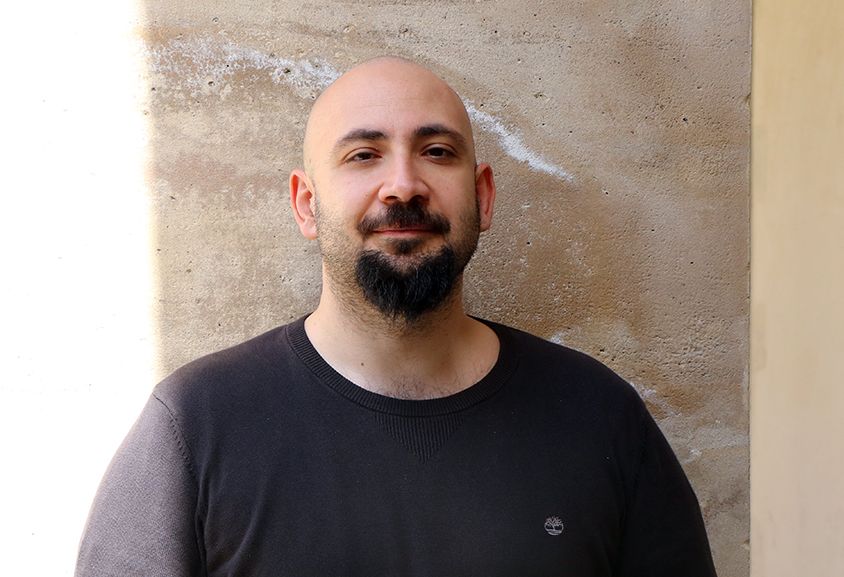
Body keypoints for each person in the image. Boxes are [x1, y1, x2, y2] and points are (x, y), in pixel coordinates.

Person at [76, 57, 717, 576]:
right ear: (305, 204)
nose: (403, 185)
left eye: (436, 151)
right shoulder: (195, 429)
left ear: (483, 196)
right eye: (363, 155)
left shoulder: (598, 417)